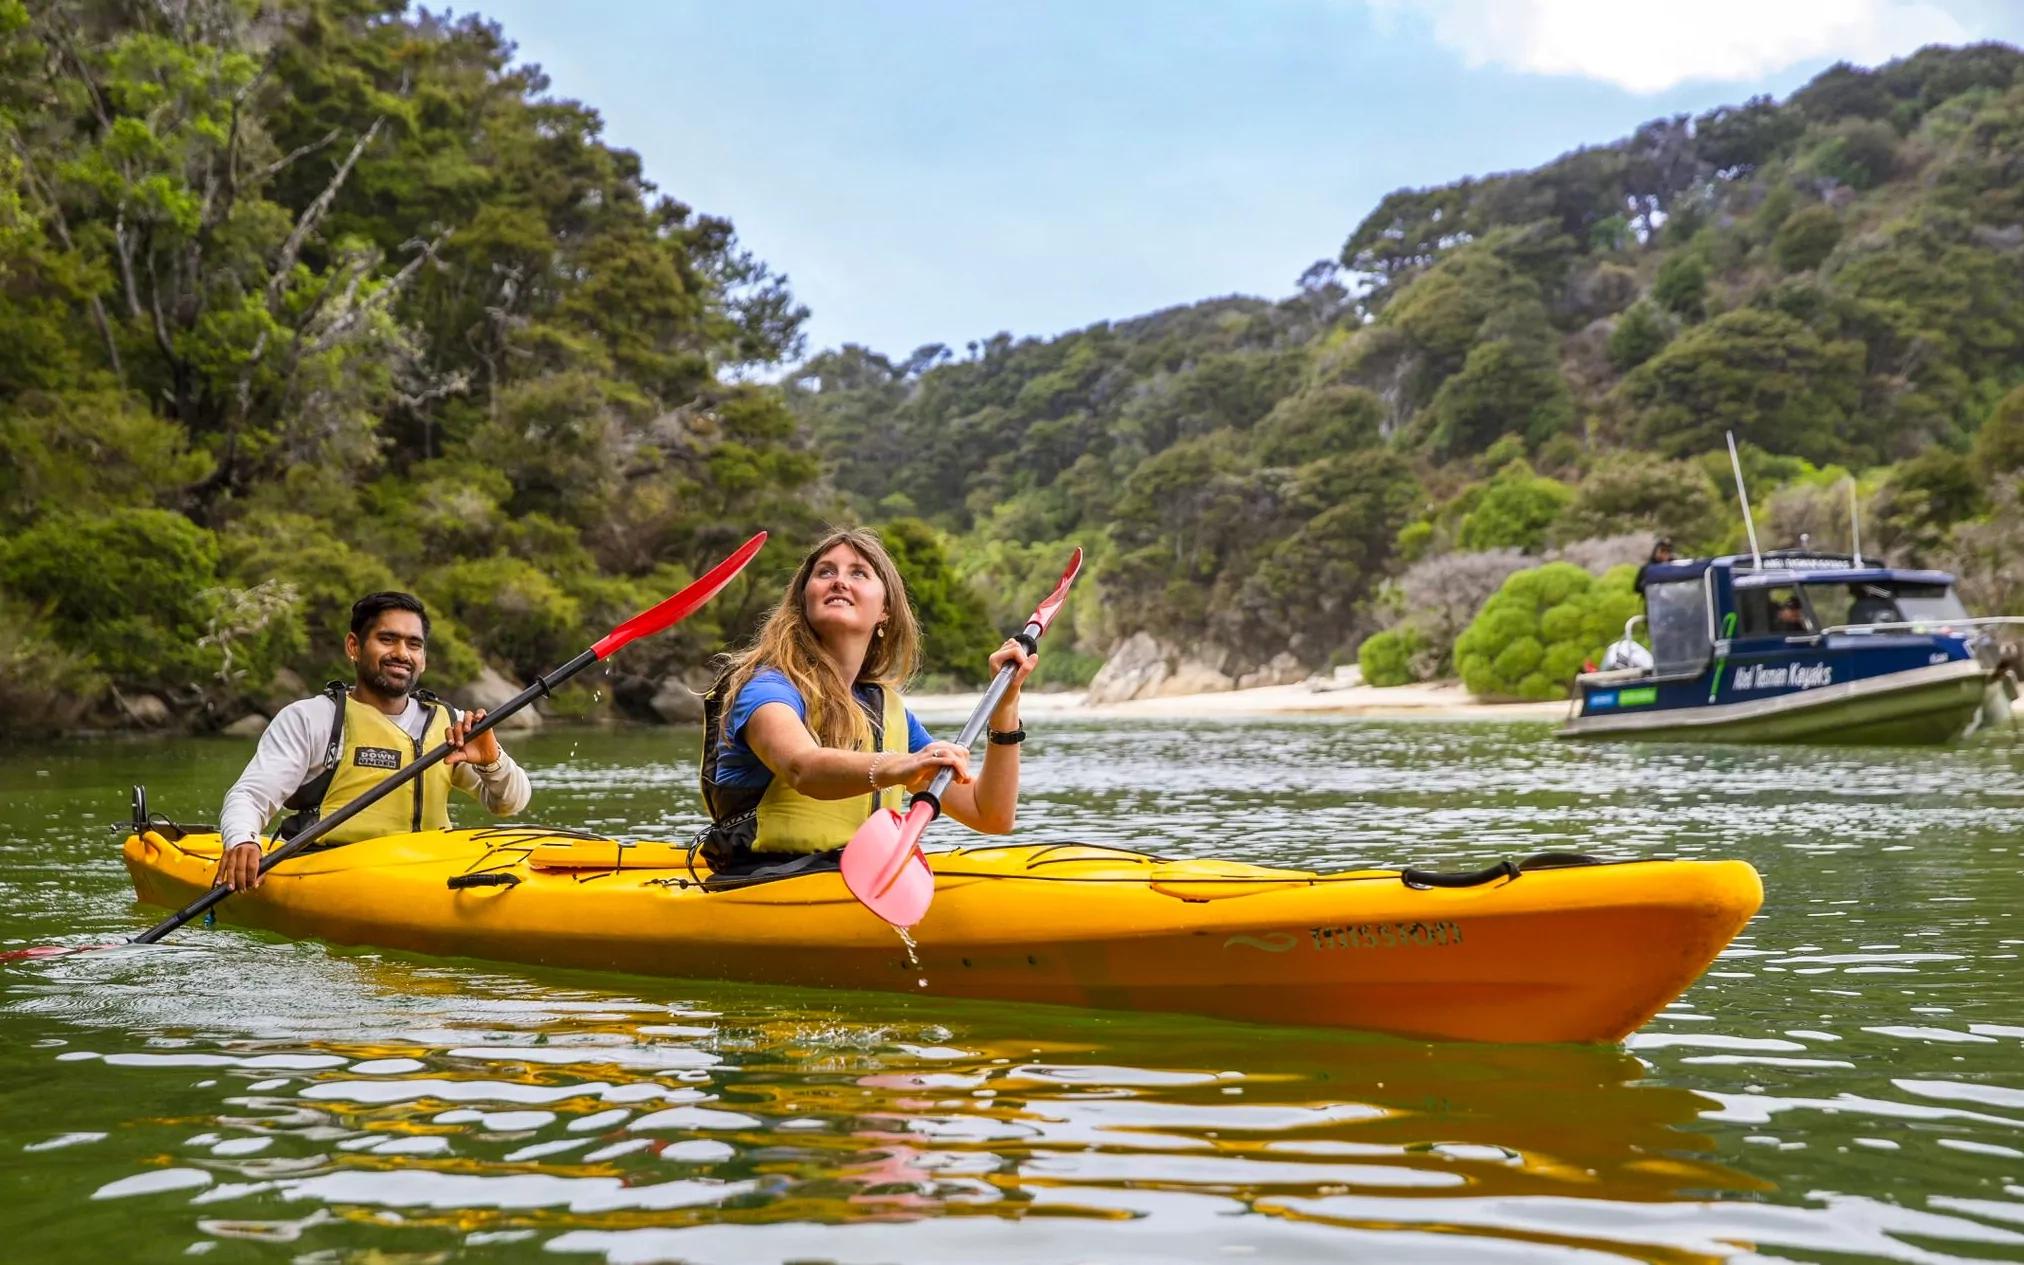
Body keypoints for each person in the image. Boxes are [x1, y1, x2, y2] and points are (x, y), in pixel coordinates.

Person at [697, 528, 1035, 876]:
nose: (839, 581)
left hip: (849, 879)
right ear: (804, 599)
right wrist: (901, 766)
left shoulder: (884, 711)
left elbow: (989, 814)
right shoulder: (767, 689)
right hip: (764, 881)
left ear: (885, 610)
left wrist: (1006, 707)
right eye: (825, 572)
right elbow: (803, 768)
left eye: (858, 573)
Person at [214, 592, 532, 891]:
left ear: (424, 659)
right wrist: (243, 840)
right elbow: (251, 795)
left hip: (431, 872)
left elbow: (511, 804)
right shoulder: (313, 719)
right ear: (354, 646)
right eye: (387, 639)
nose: (401, 654)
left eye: (414, 644)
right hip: (331, 872)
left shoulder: (452, 725)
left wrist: (493, 763)